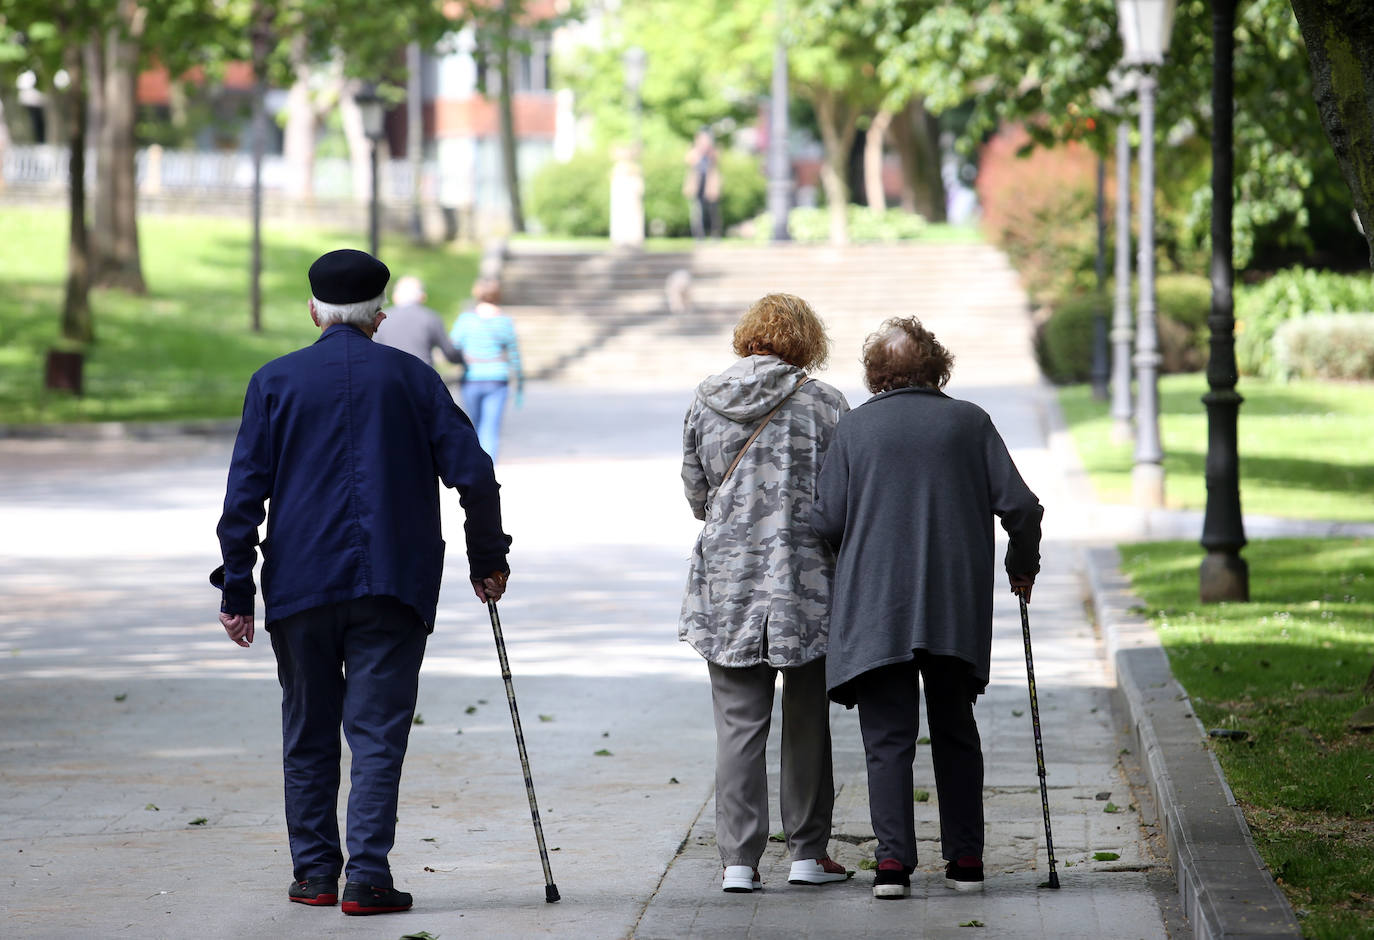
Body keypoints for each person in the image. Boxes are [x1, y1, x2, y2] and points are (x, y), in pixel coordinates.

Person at [212, 249, 512, 917]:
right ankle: (368, 877)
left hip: (300, 584)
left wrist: (237, 591)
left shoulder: (274, 381)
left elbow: (243, 500)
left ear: (314, 311)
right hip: (394, 586)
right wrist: (486, 558)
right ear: (379, 316)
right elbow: (476, 475)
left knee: (308, 730)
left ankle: (316, 872)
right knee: (377, 733)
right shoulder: (415, 379)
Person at [810, 316, 1043, 900]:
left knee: (887, 737)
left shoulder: (855, 430)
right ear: (936, 365)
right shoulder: (969, 423)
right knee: (956, 729)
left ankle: (892, 865)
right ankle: (966, 860)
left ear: (876, 373)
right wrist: (1022, 564)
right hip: (952, 603)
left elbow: (828, 520)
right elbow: (1022, 506)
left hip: (877, 604)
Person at [679, 292, 852, 894]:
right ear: (807, 342)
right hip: (808, 586)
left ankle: (739, 863)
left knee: (738, 726)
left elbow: (697, 495)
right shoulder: (827, 405)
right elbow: (843, 502)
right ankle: (807, 855)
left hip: (727, 586)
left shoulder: (706, 398)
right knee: (807, 722)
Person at [449, 278, 523, 462]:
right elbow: (514, 354)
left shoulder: (466, 320)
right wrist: (520, 381)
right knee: (490, 428)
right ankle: (489, 469)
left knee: (474, 425)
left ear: (477, 293)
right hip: (498, 378)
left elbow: (453, 346)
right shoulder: (505, 321)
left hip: (471, 377)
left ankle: (475, 465)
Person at [373, 275, 464, 371]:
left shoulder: (381, 319)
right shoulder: (431, 317)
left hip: (390, 377)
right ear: (422, 297)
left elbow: (373, 352)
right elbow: (450, 353)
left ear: (395, 296)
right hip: (422, 377)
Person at [683, 128, 722, 240]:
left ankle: (715, 234)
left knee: (713, 211)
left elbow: (716, 165)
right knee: (697, 211)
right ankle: (699, 236)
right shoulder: (694, 152)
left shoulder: (712, 152)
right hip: (697, 184)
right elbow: (688, 161)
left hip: (709, 184)